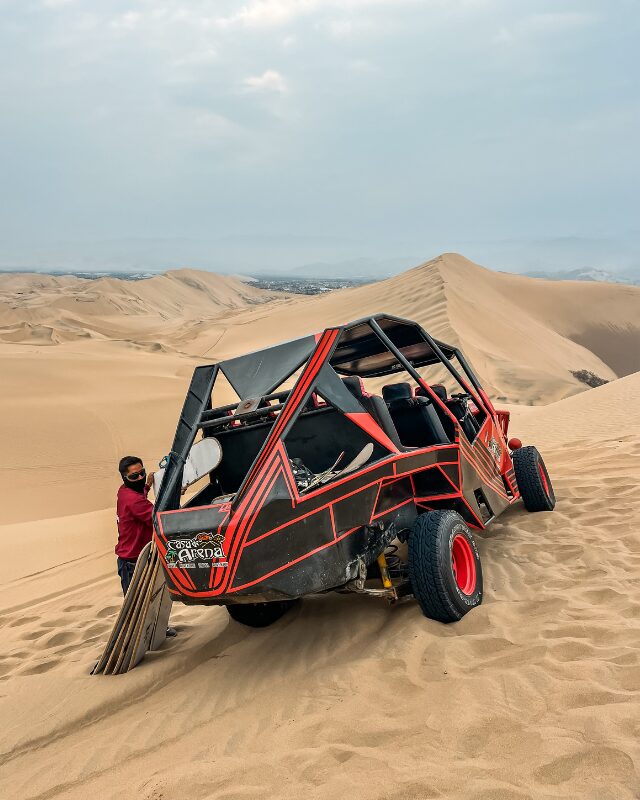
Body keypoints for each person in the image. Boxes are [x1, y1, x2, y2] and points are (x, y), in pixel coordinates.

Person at [115, 456, 176, 636]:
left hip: (142, 556)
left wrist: (147, 486)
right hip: (132, 562)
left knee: (151, 597)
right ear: (124, 478)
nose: (140, 478)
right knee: (135, 606)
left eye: (142, 473)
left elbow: (139, 494)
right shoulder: (134, 501)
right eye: (134, 477)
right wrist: (173, 493)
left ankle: (156, 630)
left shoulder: (124, 491)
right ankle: (134, 638)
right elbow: (159, 519)